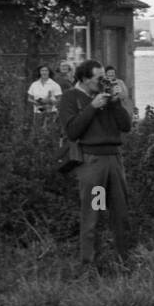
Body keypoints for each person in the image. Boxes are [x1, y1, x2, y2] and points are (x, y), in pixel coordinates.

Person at [58, 59, 133, 268]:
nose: (103, 82)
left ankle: (123, 260)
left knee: (120, 213)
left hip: (114, 162)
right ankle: (90, 264)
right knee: (94, 214)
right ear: (84, 78)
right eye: (98, 78)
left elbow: (126, 126)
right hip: (93, 164)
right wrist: (92, 107)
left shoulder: (108, 96)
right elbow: (73, 131)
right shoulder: (71, 97)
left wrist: (117, 102)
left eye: (105, 78)